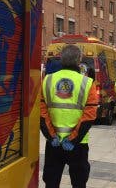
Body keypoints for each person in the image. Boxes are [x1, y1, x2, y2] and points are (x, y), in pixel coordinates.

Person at [40, 44, 98, 188]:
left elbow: (41, 113)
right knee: (79, 183)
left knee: (51, 183)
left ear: (61, 59)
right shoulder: (87, 82)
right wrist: (72, 139)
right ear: (79, 60)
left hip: (54, 144)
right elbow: (89, 116)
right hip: (78, 145)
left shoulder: (47, 80)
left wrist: (52, 136)